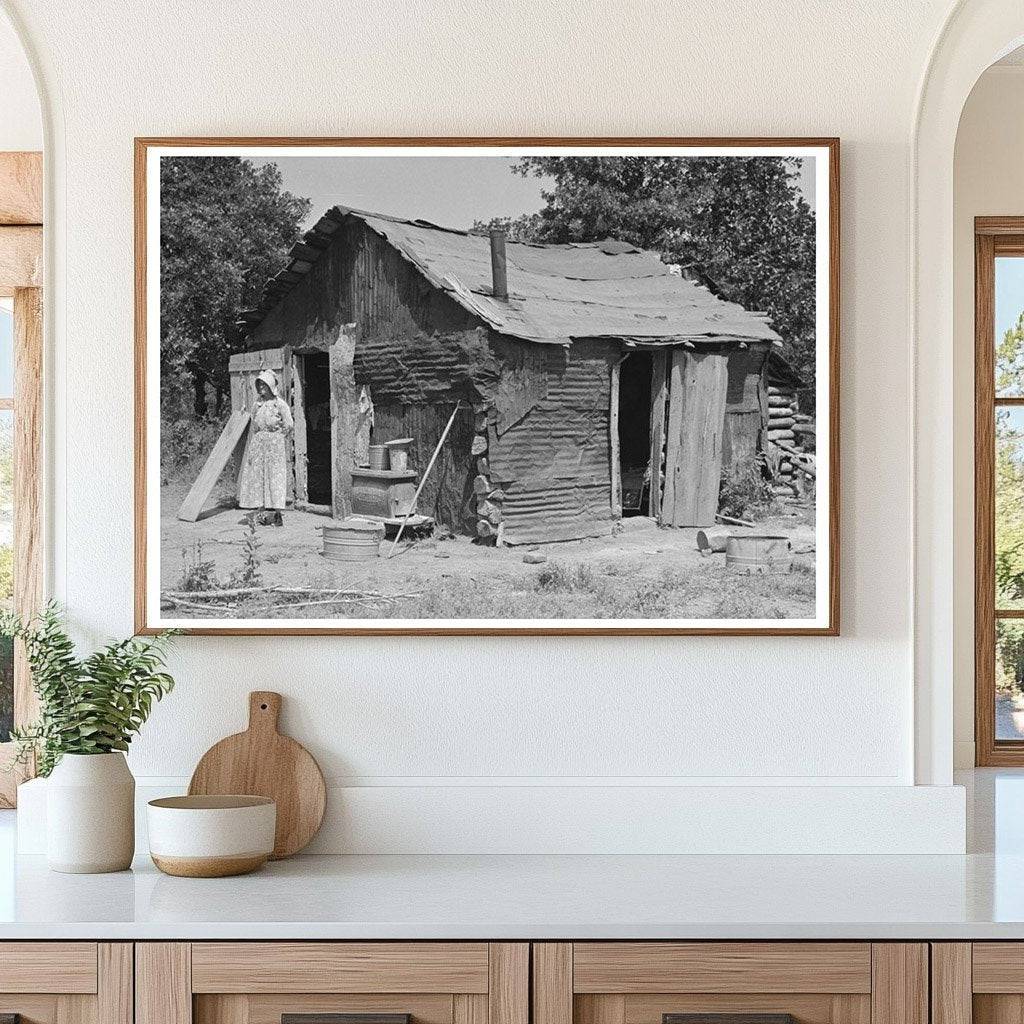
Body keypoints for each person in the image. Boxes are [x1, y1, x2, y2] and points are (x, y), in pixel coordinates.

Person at [238, 369, 294, 511]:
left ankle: (276, 512)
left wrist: (278, 436)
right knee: (257, 475)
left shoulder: (280, 404)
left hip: (274, 445)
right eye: (259, 384)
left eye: (264, 384)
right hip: (258, 443)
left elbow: (289, 424)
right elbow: (254, 423)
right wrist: (257, 441)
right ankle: (260, 511)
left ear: (271, 386)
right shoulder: (257, 404)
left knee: (274, 476)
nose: (261, 387)